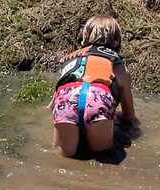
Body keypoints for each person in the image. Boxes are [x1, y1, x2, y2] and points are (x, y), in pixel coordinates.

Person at [49, 15, 136, 157]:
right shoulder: (119, 68)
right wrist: (113, 116)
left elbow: (53, 103)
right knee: (102, 156)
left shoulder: (71, 60)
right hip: (98, 99)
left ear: (85, 37)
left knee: (61, 156)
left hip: (67, 98)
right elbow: (129, 115)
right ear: (117, 41)